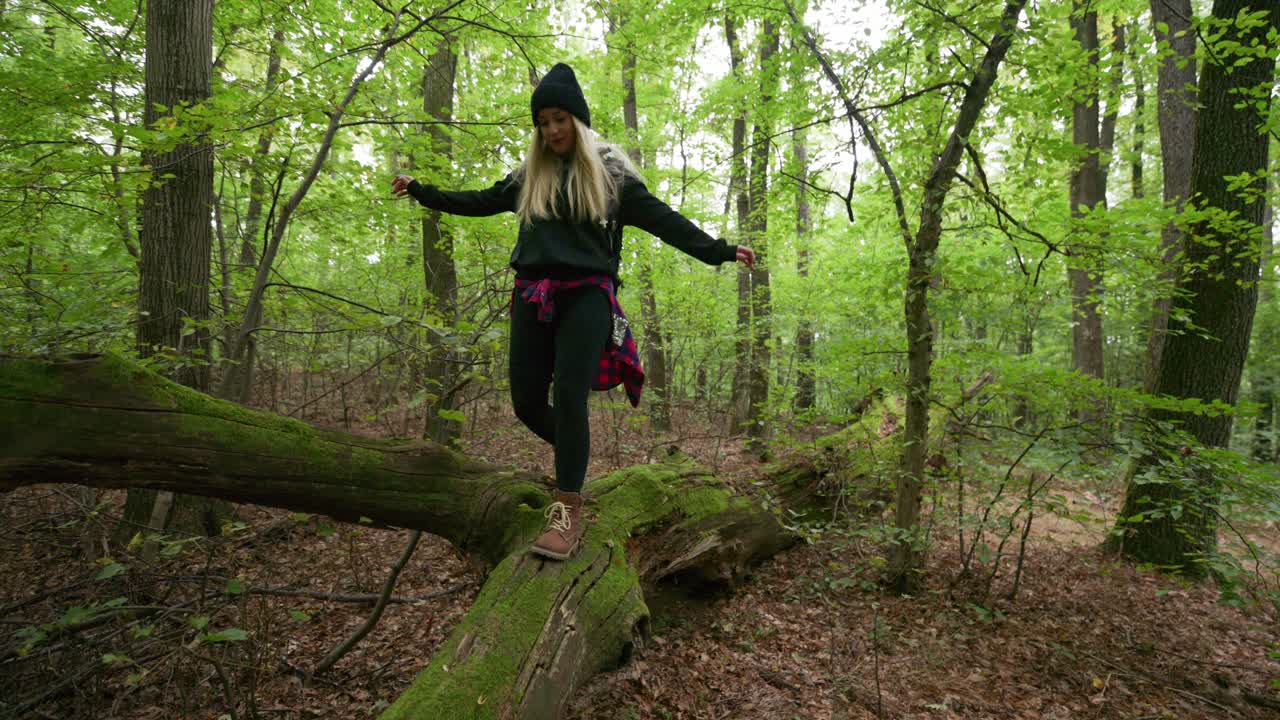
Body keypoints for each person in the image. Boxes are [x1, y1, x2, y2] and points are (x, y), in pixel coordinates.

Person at [392, 62, 754, 561]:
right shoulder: (529, 177)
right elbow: (477, 200)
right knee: (524, 401)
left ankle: (567, 507)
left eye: (560, 118)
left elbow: (666, 221)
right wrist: (421, 190)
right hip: (531, 294)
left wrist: (720, 250)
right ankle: (575, 458)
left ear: (578, 121)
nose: (552, 130)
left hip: (586, 296)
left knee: (568, 393)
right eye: (543, 122)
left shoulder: (612, 177)